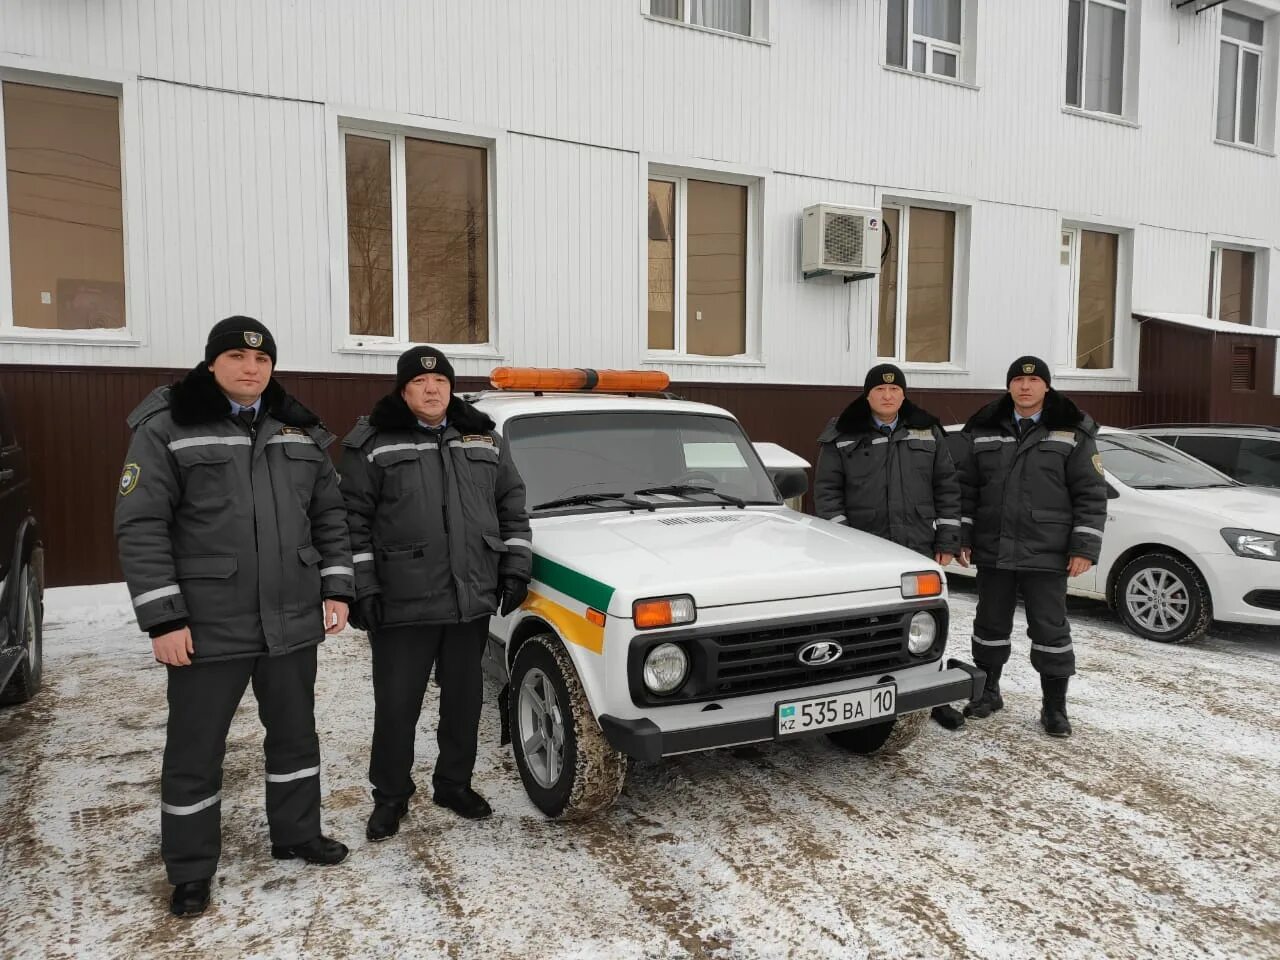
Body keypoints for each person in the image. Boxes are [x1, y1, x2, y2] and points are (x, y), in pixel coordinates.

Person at [115, 316, 354, 918]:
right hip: (207, 623)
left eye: (263, 361)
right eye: (238, 358)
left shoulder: (299, 430)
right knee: (196, 749)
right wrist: (163, 620)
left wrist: (337, 587)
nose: (252, 369)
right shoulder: (168, 426)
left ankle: (297, 833)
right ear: (213, 362)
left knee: (297, 736)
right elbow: (141, 526)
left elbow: (330, 514)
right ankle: (191, 869)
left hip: (291, 618)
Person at [340, 346, 531, 840]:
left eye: (441, 382)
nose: (432, 390)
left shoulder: (483, 436)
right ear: (403, 391)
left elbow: (511, 502)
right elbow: (351, 520)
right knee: (397, 706)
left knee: (464, 702)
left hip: (468, 598)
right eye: (421, 384)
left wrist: (514, 566)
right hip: (403, 601)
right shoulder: (374, 442)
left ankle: (453, 784)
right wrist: (363, 587)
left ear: (450, 388)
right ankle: (391, 796)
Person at [956, 356, 1107, 738]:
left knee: (1050, 630)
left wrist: (1084, 547)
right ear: (1009, 386)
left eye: (1035, 380)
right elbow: (967, 489)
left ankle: (1054, 707)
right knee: (989, 626)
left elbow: (1091, 494)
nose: (1026, 387)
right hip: (994, 549)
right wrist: (963, 536)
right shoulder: (985, 429)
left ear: (1046, 386)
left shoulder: (1072, 431)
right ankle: (988, 692)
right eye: (1019, 381)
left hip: (1048, 551)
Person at [814, 363, 966, 729]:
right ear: (867, 395)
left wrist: (947, 538)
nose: (888, 396)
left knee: (924, 624)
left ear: (903, 394)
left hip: (917, 546)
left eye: (895, 390)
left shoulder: (927, 431)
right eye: (880, 390)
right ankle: (859, 696)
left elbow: (947, 486)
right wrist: (843, 541)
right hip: (864, 551)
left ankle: (931, 694)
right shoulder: (843, 434)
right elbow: (827, 493)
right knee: (865, 624)